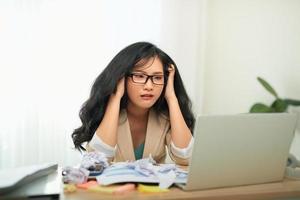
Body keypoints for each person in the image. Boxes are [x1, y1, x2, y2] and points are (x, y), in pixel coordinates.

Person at [72, 42, 195, 165]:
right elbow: (97, 161)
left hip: (155, 185)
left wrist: (172, 98)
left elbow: (186, 158)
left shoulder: (166, 117)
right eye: (139, 76)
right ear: (122, 78)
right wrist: (115, 97)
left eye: (157, 77)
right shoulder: (107, 112)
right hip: (113, 185)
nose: (149, 86)